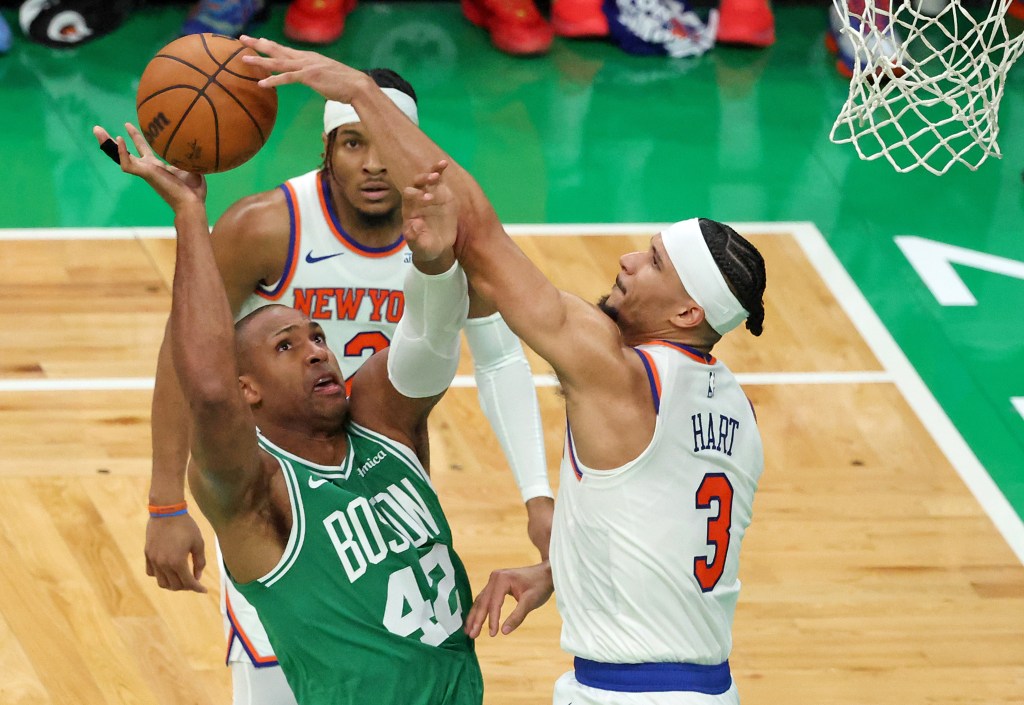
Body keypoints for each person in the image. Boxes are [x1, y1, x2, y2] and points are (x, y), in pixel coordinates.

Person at [236, 36, 767, 704]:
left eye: (655, 262)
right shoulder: (736, 411)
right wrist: (560, 571)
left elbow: (478, 235)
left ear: (689, 310)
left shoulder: (621, 376)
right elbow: (665, 534)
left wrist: (364, 95)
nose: (630, 261)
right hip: (708, 686)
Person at [101, 68, 552, 705]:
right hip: (280, 493)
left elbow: (483, 351)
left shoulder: (446, 240)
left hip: (381, 467)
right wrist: (165, 499)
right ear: (327, 150)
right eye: (351, 143)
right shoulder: (266, 226)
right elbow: (196, 368)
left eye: (385, 143)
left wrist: (537, 494)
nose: (373, 165)